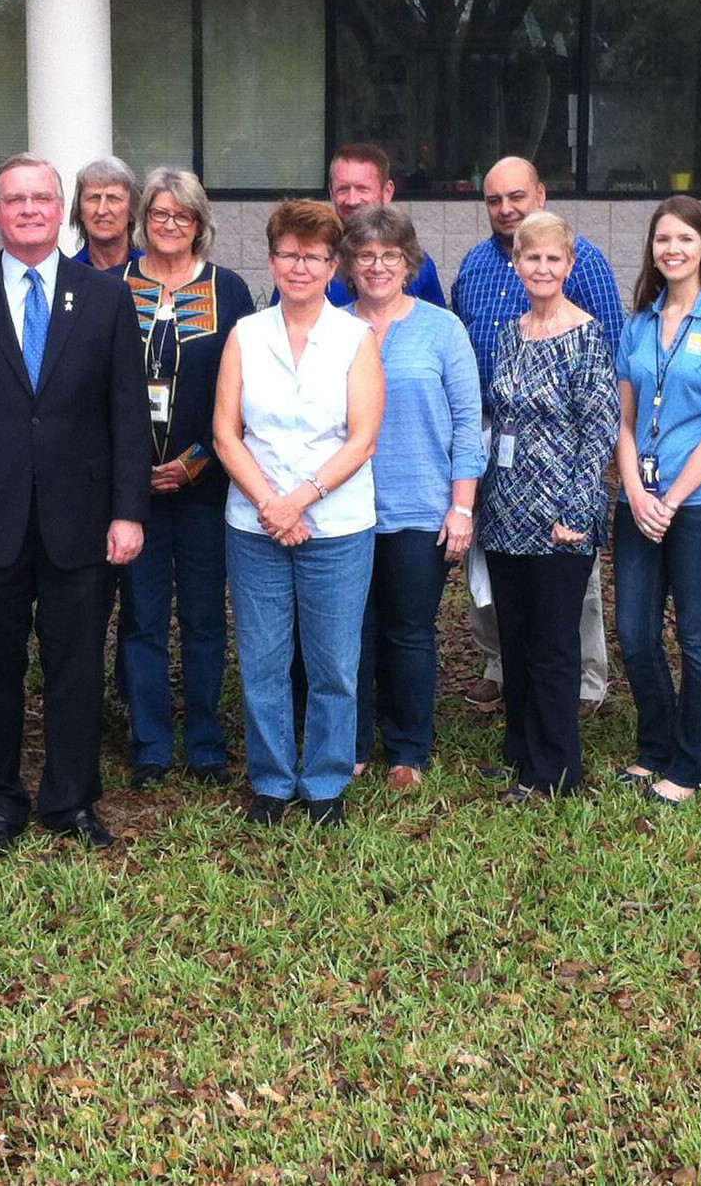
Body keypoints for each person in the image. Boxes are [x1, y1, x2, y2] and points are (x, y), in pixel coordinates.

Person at [0, 151, 152, 854]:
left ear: (60, 209)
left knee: (77, 666)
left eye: (41, 199)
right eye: (14, 200)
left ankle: (71, 800)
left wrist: (128, 509)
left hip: (81, 521)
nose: (28, 211)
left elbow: (127, 416)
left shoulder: (105, 297)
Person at [214, 199, 384, 828]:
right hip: (254, 524)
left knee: (333, 661)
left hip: (336, 526)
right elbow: (226, 433)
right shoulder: (246, 335)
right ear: (272, 259)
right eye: (289, 253)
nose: (301, 266)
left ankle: (325, 782)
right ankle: (272, 780)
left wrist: (299, 499)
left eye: (314, 256)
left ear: (333, 264)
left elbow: (362, 438)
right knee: (261, 658)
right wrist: (270, 504)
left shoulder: (355, 338)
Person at [451, 156, 624, 716]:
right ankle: (503, 665)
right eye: (494, 200)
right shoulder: (475, 265)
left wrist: (590, 477)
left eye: (516, 196)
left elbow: (607, 359)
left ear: (541, 195)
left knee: (564, 576)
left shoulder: (586, 261)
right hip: (492, 428)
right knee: (494, 567)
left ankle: (583, 682)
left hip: (562, 441)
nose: (506, 208)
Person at [112, 168, 255, 790]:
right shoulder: (109, 285)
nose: (170, 226)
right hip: (130, 488)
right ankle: (149, 745)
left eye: (183, 216)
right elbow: (93, 387)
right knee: (141, 618)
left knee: (203, 618)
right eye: (160, 214)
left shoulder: (232, 290)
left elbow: (247, 391)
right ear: (143, 219)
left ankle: (205, 745)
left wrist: (198, 460)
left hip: (206, 484)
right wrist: (128, 469)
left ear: (201, 224)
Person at [612, 197, 701, 806]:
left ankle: (694, 764)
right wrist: (637, 493)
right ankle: (656, 745)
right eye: (662, 239)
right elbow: (622, 422)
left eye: (685, 239)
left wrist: (668, 497)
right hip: (640, 501)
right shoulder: (637, 324)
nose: (672, 249)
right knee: (636, 633)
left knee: (696, 635)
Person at [476, 211, 619, 801]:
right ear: (516, 264)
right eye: (530, 257)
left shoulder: (587, 336)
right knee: (516, 640)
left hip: (561, 515)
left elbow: (600, 428)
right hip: (506, 510)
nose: (541, 267)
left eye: (552, 259)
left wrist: (577, 512)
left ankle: (554, 772)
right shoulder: (510, 333)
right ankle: (520, 754)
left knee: (556, 645)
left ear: (569, 265)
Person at [341, 205, 484, 790]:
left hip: (420, 509)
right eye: (366, 255)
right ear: (349, 264)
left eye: (390, 256)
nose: (377, 266)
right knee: (352, 632)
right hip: (344, 510)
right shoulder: (334, 325)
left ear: (408, 263)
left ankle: (408, 749)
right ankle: (350, 743)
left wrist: (462, 506)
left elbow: (467, 422)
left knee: (409, 632)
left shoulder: (441, 329)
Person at [322, 145, 444, 307]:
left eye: (362, 189)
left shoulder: (415, 263)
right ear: (331, 193)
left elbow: (436, 325)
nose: (352, 200)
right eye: (343, 189)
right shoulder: (310, 259)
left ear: (387, 192)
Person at [69, 156, 142, 271]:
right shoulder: (68, 274)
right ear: (80, 211)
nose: (101, 210)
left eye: (113, 198)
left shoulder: (151, 273)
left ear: (132, 210)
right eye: (94, 198)